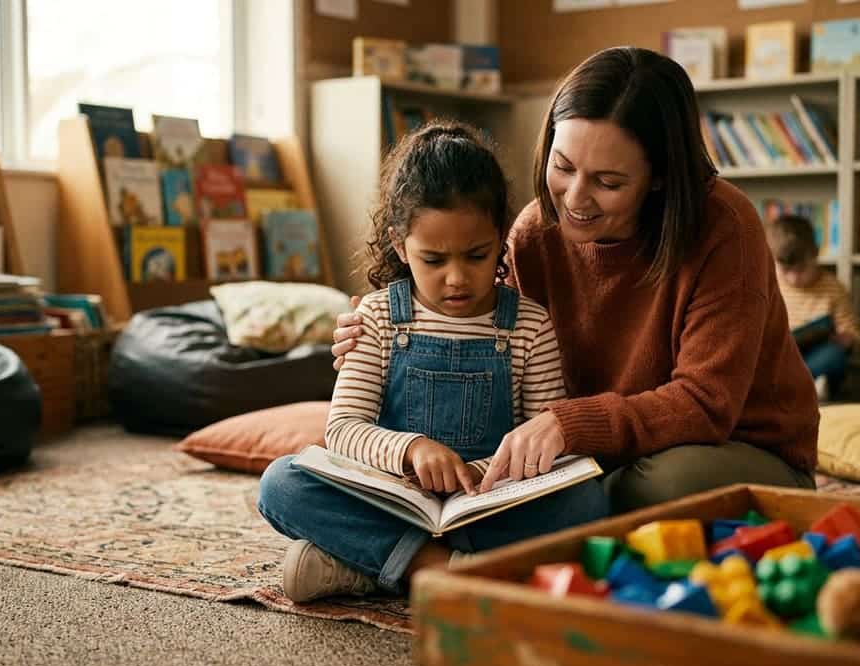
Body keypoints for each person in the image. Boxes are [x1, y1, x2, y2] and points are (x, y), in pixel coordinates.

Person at [332, 46, 820, 515]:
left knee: (653, 486)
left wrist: (569, 427)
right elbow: (498, 343)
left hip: (730, 449)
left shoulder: (725, 226)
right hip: (597, 451)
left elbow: (706, 404)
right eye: (562, 167)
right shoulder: (532, 233)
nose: (575, 199)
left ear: (660, 177)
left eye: (608, 183)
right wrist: (387, 331)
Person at [256, 122, 609, 603]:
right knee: (281, 483)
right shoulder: (378, 316)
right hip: (392, 499)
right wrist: (412, 451)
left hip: (485, 505)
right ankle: (440, 568)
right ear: (400, 246)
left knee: (586, 499)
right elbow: (342, 429)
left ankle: (368, 565)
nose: (457, 278)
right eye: (434, 259)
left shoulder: (529, 324)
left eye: (477, 255)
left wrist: (479, 475)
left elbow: (544, 442)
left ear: (501, 241)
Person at [765, 214, 860, 402]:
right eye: (786, 271)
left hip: (812, 357)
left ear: (816, 254)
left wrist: (847, 338)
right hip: (779, 358)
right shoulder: (770, 284)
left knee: (834, 356)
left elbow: (852, 330)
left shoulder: (833, 287)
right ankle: (804, 385)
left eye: (802, 269)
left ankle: (790, 386)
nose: (794, 278)